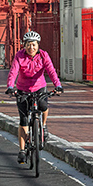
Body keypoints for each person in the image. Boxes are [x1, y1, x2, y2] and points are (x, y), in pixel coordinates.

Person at [5, 31, 63, 164]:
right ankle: (21, 150)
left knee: (43, 106)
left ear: (38, 45)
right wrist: (10, 87)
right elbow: (13, 72)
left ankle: (43, 125)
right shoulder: (19, 56)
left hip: (39, 87)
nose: (31, 48)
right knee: (24, 119)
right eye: (29, 45)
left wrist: (58, 85)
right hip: (23, 89)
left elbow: (51, 71)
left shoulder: (43, 55)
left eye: (34, 45)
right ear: (24, 45)